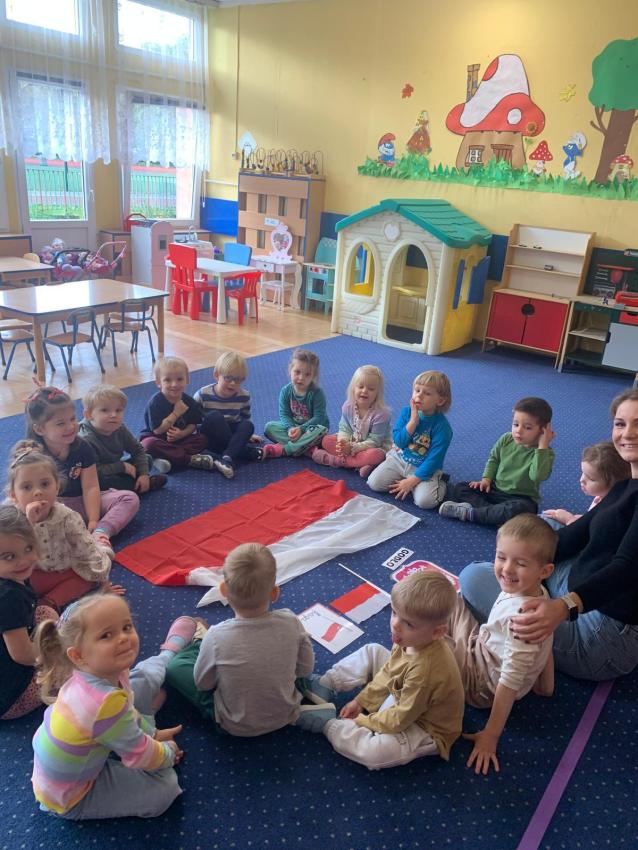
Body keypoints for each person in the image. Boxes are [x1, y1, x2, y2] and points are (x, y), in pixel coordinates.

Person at [459, 388, 638, 682]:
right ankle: (527, 590)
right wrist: (516, 562)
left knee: (472, 578)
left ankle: (524, 598)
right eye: (621, 423)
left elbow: (627, 569)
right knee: (544, 525)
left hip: (601, 635)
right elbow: (578, 532)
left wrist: (563, 607)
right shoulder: (624, 485)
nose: (627, 433)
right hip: (583, 584)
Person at [32, 595, 198, 820]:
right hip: (73, 796)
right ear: (78, 656)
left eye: (126, 627)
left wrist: (153, 734)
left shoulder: (101, 673)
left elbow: (126, 709)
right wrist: (168, 752)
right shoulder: (104, 703)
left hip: (89, 749)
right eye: (106, 635)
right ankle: (166, 664)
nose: (123, 638)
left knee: (142, 681)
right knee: (166, 787)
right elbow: (142, 755)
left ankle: (168, 654)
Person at [300, 571, 464, 770]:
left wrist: (363, 720)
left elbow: (399, 719)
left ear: (437, 632)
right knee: (373, 651)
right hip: (407, 694)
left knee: (375, 753)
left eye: (409, 623)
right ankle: (326, 684)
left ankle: (330, 724)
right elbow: (389, 670)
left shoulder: (425, 672)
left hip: (424, 725)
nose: (395, 625)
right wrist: (362, 701)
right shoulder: (410, 638)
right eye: (394, 612)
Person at [166, 542, 334, 735]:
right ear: (274, 593)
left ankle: (198, 642)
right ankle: (307, 694)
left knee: (176, 667)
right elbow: (305, 669)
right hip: (286, 711)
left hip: (235, 725)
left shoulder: (216, 635)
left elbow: (204, 684)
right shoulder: (291, 621)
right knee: (287, 665)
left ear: (223, 590)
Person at [447, 514, 556, 775]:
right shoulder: (540, 597)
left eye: (520, 563)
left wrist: (491, 735)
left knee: (434, 628)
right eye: (501, 557)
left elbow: (509, 680)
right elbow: (547, 640)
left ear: (545, 571)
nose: (506, 569)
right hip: (485, 652)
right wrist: (545, 686)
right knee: (450, 601)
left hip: (480, 682)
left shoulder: (523, 619)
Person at [25, 386, 139, 553]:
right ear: (39, 429)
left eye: (73, 419)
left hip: (81, 502)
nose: (71, 426)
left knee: (129, 498)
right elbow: (29, 495)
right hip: (53, 507)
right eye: (61, 423)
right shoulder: (34, 456)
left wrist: (94, 521)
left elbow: (91, 487)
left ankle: (101, 533)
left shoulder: (82, 446)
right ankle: (68, 535)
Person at [8, 442, 116, 610]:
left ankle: (49, 603)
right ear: (14, 495)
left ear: (57, 486)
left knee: (87, 576)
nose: (37, 492)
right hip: (27, 573)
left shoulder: (66, 517)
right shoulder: (10, 517)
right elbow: (10, 552)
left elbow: (86, 550)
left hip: (61, 570)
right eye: (27, 487)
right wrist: (29, 522)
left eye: (45, 484)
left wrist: (103, 583)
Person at [439, 396, 555, 526]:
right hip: (495, 490)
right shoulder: (506, 439)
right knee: (461, 488)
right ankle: (493, 514)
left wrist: (542, 446)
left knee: (523, 510)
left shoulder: (544, 453)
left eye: (527, 427)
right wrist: (486, 479)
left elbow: (537, 476)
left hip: (520, 498)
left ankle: (471, 514)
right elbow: (494, 459)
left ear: (542, 430)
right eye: (516, 424)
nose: (518, 431)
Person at [0, 505, 58, 720]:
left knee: (45, 612)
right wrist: (56, 657)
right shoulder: (8, 597)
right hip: (12, 698)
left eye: (29, 548)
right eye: (9, 557)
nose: (24, 560)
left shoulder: (12, 576)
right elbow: (22, 655)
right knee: (73, 671)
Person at [367, 370, 452, 509]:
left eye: (427, 393)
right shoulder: (406, 412)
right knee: (374, 483)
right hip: (400, 459)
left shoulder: (443, 428)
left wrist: (413, 480)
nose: (419, 395)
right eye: (417, 390)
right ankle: (404, 479)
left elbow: (434, 459)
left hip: (424, 466)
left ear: (440, 400)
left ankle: (439, 482)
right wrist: (412, 422)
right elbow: (399, 442)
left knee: (425, 502)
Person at [79, 384, 169, 494]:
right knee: (101, 481)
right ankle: (140, 486)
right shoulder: (86, 439)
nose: (113, 415)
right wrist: (121, 466)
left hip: (113, 467)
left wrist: (143, 474)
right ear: (89, 415)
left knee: (147, 459)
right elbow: (93, 471)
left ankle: (137, 484)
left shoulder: (119, 427)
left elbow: (138, 450)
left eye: (118, 410)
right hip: (93, 475)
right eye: (105, 410)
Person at [311, 364, 391, 478]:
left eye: (371, 389)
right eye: (360, 386)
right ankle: (360, 464)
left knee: (376, 455)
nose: (364, 391)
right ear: (353, 388)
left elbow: (375, 441)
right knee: (326, 440)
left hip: (371, 447)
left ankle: (335, 460)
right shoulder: (348, 406)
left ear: (378, 393)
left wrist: (352, 448)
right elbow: (344, 429)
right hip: (352, 442)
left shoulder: (382, 414)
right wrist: (343, 443)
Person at [190, 350, 261, 478]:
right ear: (217, 375)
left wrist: (248, 435)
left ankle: (226, 457)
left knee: (248, 425)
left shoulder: (244, 396)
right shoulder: (202, 394)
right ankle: (240, 451)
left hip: (230, 430)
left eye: (238, 380)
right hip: (210, 435)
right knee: (215, 416)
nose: (233, 383)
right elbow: (193, 421)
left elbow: (244, 418)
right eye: (228, 378)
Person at [139, 356, 208, 469]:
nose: (174, 384)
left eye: (179, 379)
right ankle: (188, 459)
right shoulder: (155, 402)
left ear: (187, 380)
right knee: (148, 444)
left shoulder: (189, 401)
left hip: (180, 440)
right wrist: (176, 413)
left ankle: (163, 457)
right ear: (159, 383)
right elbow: (157, 430)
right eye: (167, 380)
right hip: (158, 438)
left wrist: (182, 434)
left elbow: (193, 425)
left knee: (202, 439)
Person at [542, 441, 630, 528]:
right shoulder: (604, 497)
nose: (581, 480)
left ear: (613, 485)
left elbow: (589, 532)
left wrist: (569, 519)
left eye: (591, 478)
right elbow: (591, 519)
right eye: (583, 473)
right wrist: (579, 518)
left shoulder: (609, 512)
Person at [261, 348, 329, 459]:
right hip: (294, 427)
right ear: (290, 370)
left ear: (313, 376)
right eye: (297, 372)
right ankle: (306, 448)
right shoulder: (286, 391)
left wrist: (301, 429)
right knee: (269, 427)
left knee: (320, 430)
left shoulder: (317, 393)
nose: (301, 378)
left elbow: (319, 417)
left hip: (311, 429)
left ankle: (286, 449)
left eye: (307, 374)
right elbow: (285, 414)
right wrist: (290, 428)